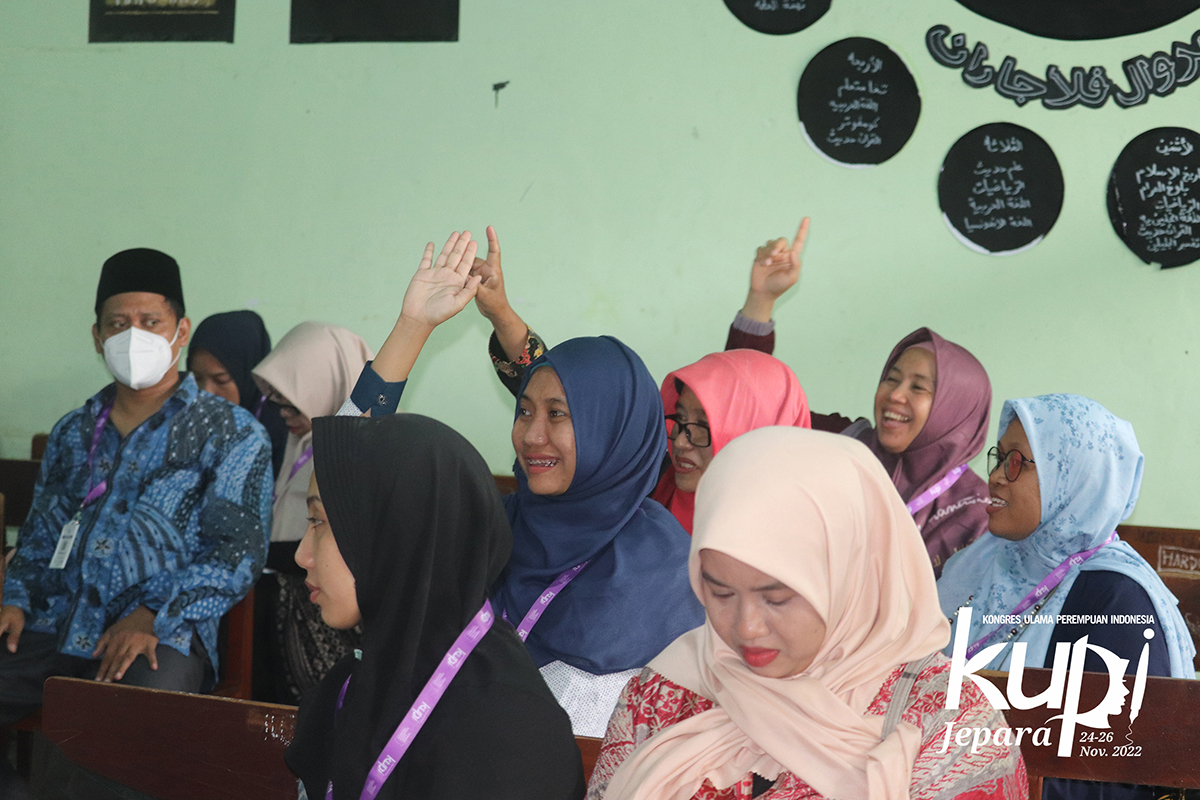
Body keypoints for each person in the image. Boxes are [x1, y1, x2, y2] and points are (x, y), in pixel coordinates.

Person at [346, 231, 705, 735]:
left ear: (612, 432)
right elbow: (347, 480)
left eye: (558, 414)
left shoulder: (668, 573)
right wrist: (412, 327)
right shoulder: (490, 531)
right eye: (524, 411)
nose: (532, 436)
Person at [586, 427, 1027, 800]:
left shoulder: (949, 723)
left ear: (852, 577)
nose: (746, 628)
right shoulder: (663, 693)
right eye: (720, 593)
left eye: (777, 599)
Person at [0, 248, 272, 721]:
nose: (133, 336)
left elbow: (238, 552)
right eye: (117, 324)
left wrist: (151, 613)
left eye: (150, 322)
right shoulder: (73, 431)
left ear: (180, 332)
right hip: (53, 625)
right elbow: (40, 536)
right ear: (97, 337)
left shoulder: (232, 432)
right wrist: (14, 601)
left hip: (162, 633)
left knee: (133, 726)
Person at [285, 413, 584, 800]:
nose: (302, 555)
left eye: (319, 522)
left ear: (398, 533)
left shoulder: (508, 723)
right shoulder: (352, 683)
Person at [938, 394, 1195, 800]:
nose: (997, 476)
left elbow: (1114, 771)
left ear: (1074, 477)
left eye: (1018, 462)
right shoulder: (982, 561)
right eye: (999, 457)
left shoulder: (1118, 600)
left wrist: (962, 781)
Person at [249, 321, 373, 703]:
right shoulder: (294, 445)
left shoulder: (363, 454)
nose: (283, 412)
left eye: (292, 401)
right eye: (278, 401)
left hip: (331, 613)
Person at [841, 329, 993, 576]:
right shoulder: (844, 451)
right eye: (891, 379)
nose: (895, 394)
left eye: (918, 387)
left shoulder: (977, 516)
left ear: (953, 408)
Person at [654, 350, 811, 533]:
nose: (680, 442)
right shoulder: (652, 491)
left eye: (705, 425)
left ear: (757, 435)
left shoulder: (791, 537)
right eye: (680, 418)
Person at [186, 309, 289, 477]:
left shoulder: (283, 428)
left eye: (221, 380)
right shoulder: (181, 419)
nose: (206, 392)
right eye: (196, 378)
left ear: (249, 375)